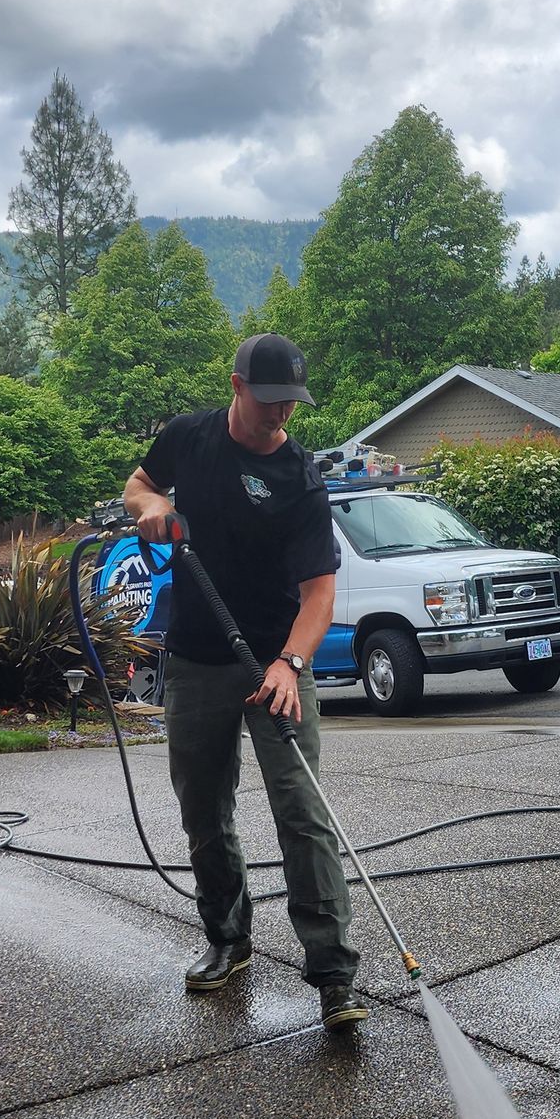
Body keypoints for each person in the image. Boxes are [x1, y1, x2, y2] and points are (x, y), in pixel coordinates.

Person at [122, 334, 367, 1031]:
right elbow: (140, 484)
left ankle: (334, 977)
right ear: (235, 387)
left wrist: (290, 665)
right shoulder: (188, 438)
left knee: (302, 810)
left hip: (276, 658)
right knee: (203, 806)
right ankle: (228, 940)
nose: (280, 414)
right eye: (268, 400)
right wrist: (149, 509)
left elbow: (319, 594)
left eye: (291, 401)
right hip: (198, 658)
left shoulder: (299, 477)